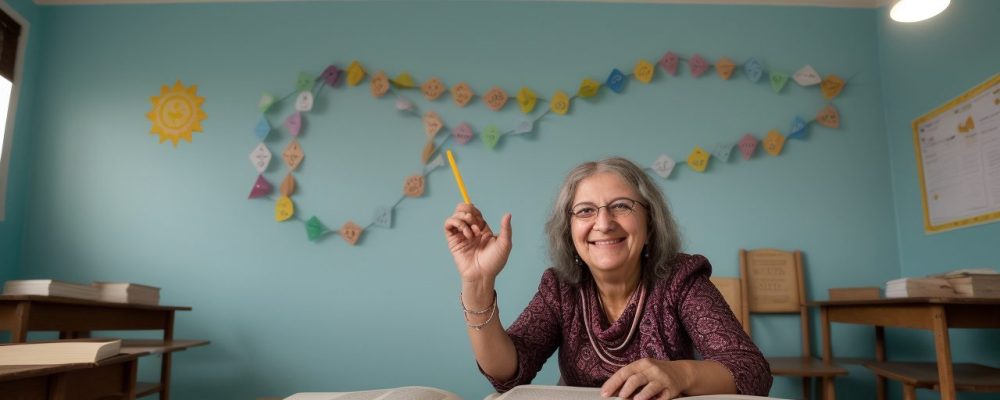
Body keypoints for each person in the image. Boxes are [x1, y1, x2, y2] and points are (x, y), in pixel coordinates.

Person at [443, 157, 772, 400]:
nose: (603, 223)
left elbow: (751, 370)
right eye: (585, 210)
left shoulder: (681, 278)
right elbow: (508, 374)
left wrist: (681, 373)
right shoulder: (560, 288)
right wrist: (477, 284)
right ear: (569, 231)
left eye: (621, 206)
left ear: (650, 223)